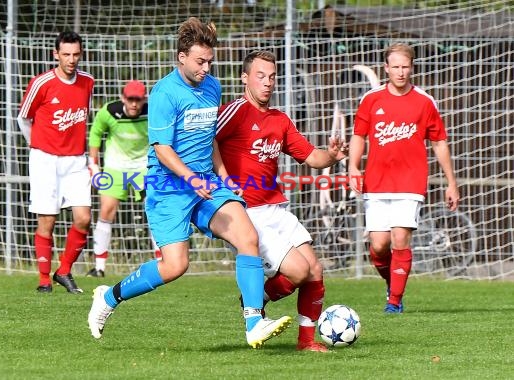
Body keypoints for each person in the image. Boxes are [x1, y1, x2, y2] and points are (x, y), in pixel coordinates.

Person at [88, 17, 292, 348]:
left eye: (209, 61)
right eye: (200, 61)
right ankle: (109, 297)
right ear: (181, 57)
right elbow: (162, 150)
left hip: (206, 184)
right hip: (169, 188)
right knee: (175, 265)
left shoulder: (212, 87)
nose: (206, 68)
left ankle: (254, 321)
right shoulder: (164, 93)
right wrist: (191, 177)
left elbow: (210, 138)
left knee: (247, 236)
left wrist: (222, 175)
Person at [216, 50, 347, 352]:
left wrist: (331, 155)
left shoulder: (280, 120)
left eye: (272, 77)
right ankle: (256, 300)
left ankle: (306, 341)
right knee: (298, 271)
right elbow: (203, 142)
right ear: (244, 78)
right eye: (260, 76)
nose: (267, 83)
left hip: (276, 208)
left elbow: (312, 156)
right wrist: (220, 182)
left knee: (314, 269)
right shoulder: (234, 112)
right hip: (247, 213)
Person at [348, 42, 460, 313]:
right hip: (376, 182)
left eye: (405, 67)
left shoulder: (424, 101)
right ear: (386, 68)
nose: (400, 72)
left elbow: (439, 143)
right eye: (395, 67)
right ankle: (393, 282)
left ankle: (394, 302)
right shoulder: (371, 99)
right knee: (378, 246)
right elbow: (359, 136)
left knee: (400, 238)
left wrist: (451, 183)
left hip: (410, 182)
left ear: (412, 67)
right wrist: (353, 166)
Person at [17, 31, 95, 294]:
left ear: (80, 54)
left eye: (75, 54)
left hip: (75, 161)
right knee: (47, 220)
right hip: (45, 160)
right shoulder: (42, 83)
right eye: (66, 54)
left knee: (83, 218)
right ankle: (43, 281)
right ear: (56, 55)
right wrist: (38, 146)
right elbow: (24, 118)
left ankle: (63, 271)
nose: (71, 60)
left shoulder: (88, 82)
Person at [86, 80, 161, 278]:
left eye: (138, 100)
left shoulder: (153, 112)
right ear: (123, 98)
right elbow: (95, 135)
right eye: (130, 99)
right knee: (106, 211)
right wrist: (93, 165)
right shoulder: (109, 111)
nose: (134, 104)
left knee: (155, 211)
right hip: (115, 169)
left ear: (144, 99)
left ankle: (163, 262)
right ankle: (99, 267)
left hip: (144, 168)